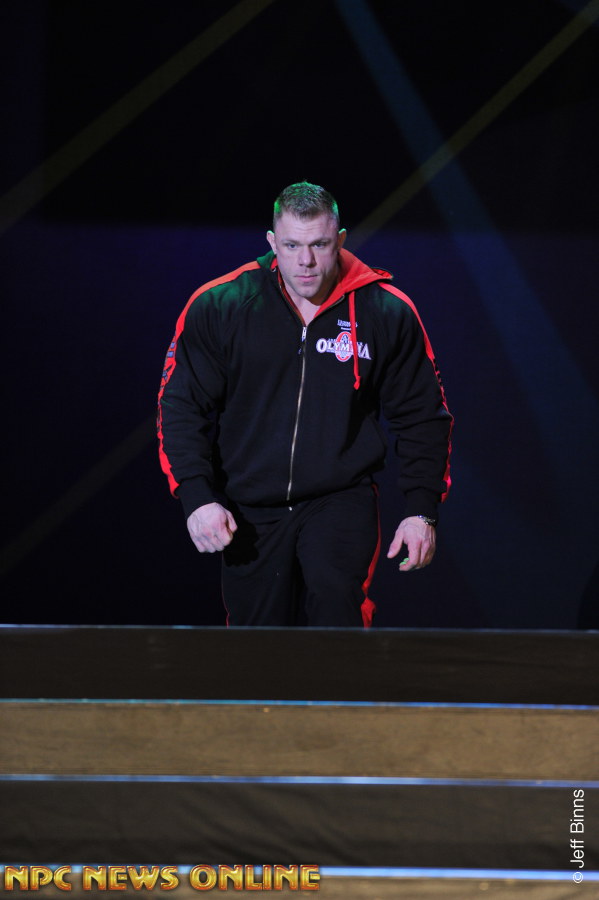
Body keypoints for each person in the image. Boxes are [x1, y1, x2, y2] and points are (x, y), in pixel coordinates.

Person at [157, 182, 452, 627]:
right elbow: (181, 406)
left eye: (319, 244)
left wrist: (421, 510)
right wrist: (197, 498)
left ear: (341, 239)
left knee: (337, 615)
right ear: (272, 241)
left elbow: (424, 417)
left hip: (341, 497)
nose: (306, 261)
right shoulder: (222, 304)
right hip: (250, 504)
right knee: (256, 643)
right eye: (292, 245)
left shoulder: (386, 311)